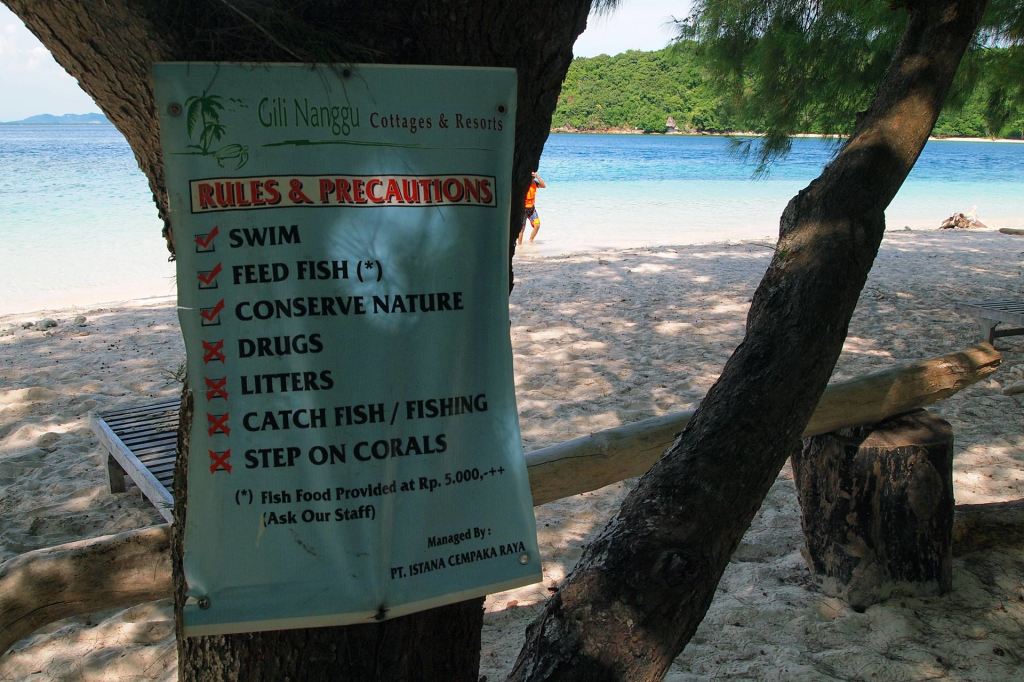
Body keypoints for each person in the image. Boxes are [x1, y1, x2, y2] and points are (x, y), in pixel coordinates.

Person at [518, 171, 546, 244]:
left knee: (537, 225)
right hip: (523, 209)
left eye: (533, 177)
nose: (532, 179)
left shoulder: (535, 183)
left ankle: (530, 241)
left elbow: (543, 185)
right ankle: (520, 246)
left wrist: (537, 176)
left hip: (531, 209)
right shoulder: (523, 184)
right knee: (521, 229)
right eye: (531, 177)